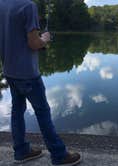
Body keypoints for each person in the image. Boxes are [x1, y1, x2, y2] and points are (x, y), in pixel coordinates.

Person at [0, 0, 82, 165]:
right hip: (28, 74)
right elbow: (33, 43)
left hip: (9, 70)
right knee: (43, 112)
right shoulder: (28, 6)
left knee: (17, 111)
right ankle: (59, 155)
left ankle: (21, 151)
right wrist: (44, 38)